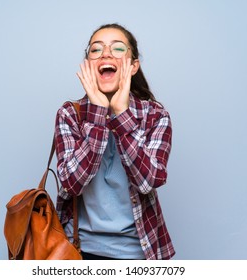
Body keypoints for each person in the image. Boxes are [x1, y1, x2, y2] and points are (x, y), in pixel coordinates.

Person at [54, 23, 175, 260]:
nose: (106, 54)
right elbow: (72, 183)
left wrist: (121, 115)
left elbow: (148, 181)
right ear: (89, 65)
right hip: (77, 251)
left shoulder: (156, 116)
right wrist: (98, 114)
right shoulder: (69, 114)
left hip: (139, 252)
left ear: (133, 66)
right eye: (96, 50)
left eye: (118, 48)